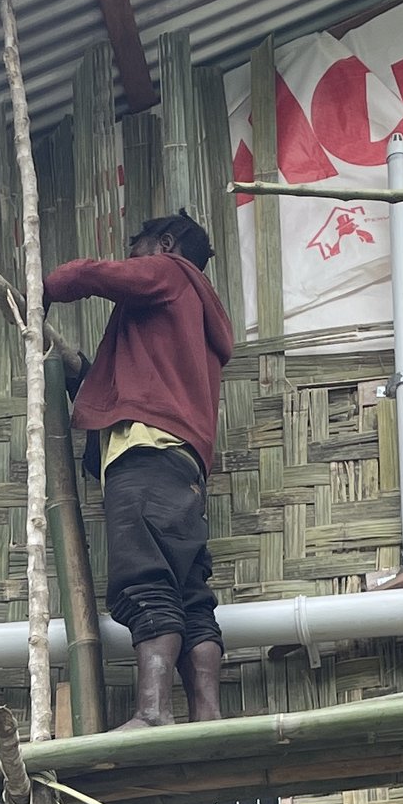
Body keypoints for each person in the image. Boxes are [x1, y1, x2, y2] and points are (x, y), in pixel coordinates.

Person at [46, 212, 235, 727]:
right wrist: (77, 374)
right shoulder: (191, 322)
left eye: (138, 245)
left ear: (166, 245)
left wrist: (45, 286)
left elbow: (96, 276)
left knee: (143, 581)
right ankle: (207, 715)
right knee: (189, 594)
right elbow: (118, 390)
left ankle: (152, 712)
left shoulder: (169, 273)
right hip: (182, 468)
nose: (132, 255)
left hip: (145, 458)